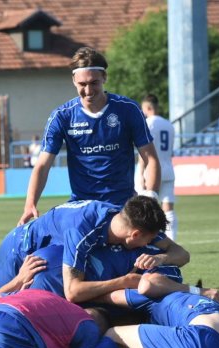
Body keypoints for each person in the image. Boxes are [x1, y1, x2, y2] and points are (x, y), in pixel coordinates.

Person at [18, 47, 161, 226]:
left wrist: (151, 197)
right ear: (73, 81)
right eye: (82, 84)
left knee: (166, 252)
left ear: (104, 78)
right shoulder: (62, 116)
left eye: (94, 83)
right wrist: (30, 204)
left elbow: (151, 158)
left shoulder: (128, 109)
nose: (88, 90)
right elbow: (42, 165)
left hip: (122, 206)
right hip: (82, 206)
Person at [0, 195, 187, 305]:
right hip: (18, 247)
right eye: (148, 241)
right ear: (135, 234)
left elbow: (182, 254)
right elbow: (72, 292)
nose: (148, 246)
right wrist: (124, 282)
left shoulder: (124, 218)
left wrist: (160, 258)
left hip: (42, 248)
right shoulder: (82, 232)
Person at [135, 94, 178, 240]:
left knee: (145, 209)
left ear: (147, 107)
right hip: (168, 169)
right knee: (168, 210)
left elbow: (145, 151)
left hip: (152, 171)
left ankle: (147, 242)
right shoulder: (169, 125)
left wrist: (141, 174)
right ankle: (171, 241)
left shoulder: (148, 123)